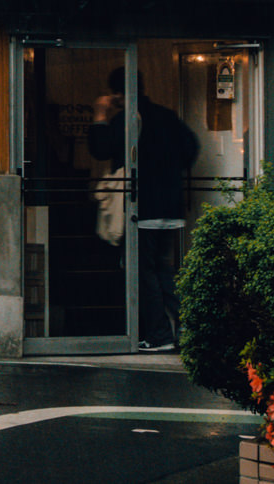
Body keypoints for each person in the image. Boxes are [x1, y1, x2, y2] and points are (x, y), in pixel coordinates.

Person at [86, 68, 200, 352]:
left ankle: (160, 334)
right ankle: (187, 329)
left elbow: (101, 150)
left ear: (118, 94)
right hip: (170, 207)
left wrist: (100, 116)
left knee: (142, 271)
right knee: (163, 269)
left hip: (142, 206)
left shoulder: (127, 118)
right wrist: (167, 172)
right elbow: (191, 149)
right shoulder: (167, 116)